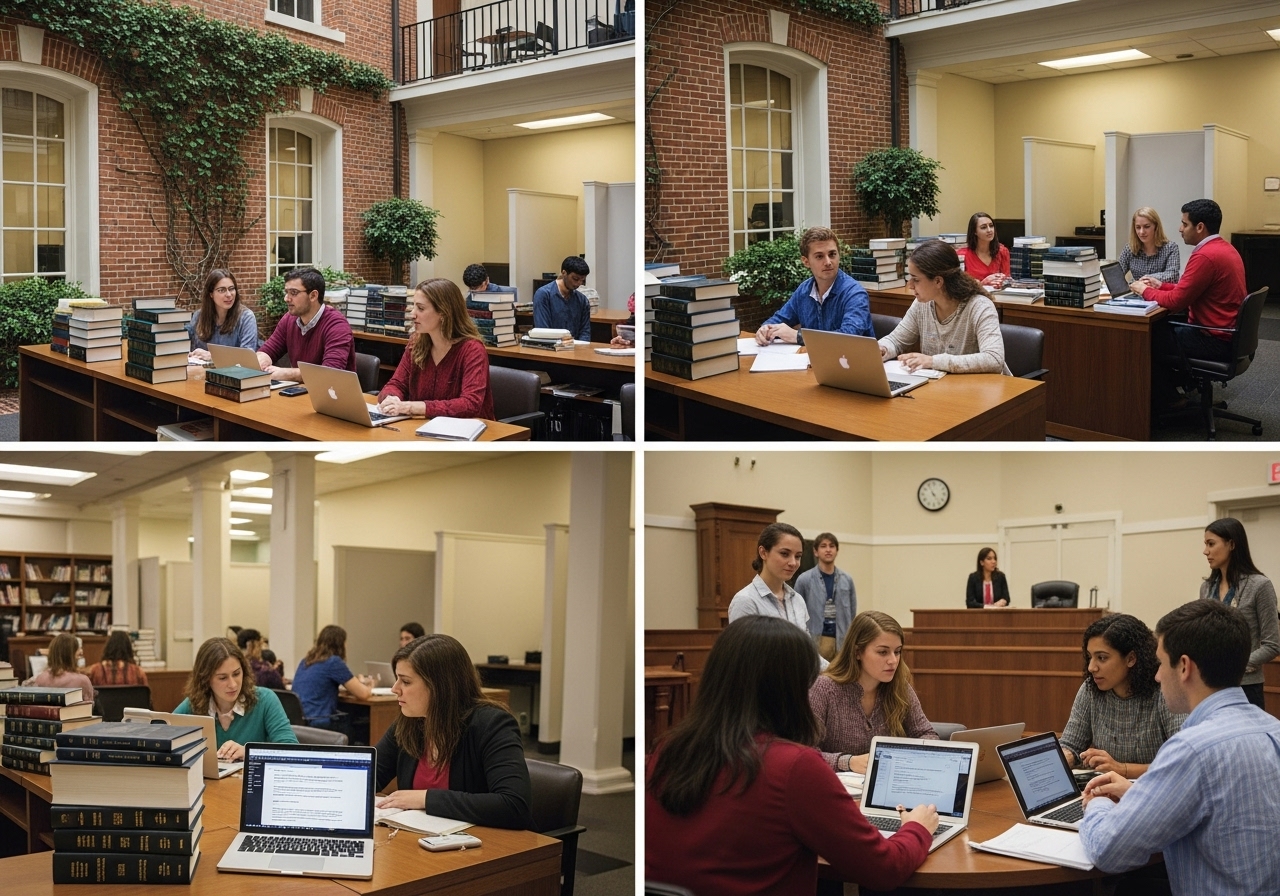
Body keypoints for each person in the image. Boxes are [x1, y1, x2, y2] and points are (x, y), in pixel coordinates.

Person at [646, 615, 935, 895]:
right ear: (790, 688)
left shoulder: (665, 750)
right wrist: (916, 828)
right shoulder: (794, 767)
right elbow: (884, 868)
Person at [1079, 599, 1280, 895]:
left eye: (1161, 663)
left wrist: (1097, 803)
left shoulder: (1192, 749)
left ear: (1184, 667)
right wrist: (1137, 794)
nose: (1157, 675)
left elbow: (1108, 851)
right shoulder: (1273, 728)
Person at [373, 634, 532, 828]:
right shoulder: (408, 724)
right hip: (421, 838)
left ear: (439, 686)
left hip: (481, 840)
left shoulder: (492, 725)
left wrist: (425, 799)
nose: (394, 689)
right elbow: (369, 777)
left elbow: (513, 805)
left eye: (405, 682)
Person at [1130, 199, 1246, 409]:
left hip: (1214, 339)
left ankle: (1169, 400)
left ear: (1199, 227)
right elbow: (1189, 290)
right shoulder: (1224, 249)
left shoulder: (1205, 256)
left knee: (1143, 337)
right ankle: (1182, 385)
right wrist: (1161, 285)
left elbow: (1176, 302)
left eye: (1184, 224)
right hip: (1231, 335)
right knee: (1160, 328)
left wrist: (1144, 290)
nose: (1180, 229)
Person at [809, 611, 938, 774]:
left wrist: (905, 757)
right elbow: (803, 752)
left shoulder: (900, 687)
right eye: (883, 652)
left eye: (897, 651)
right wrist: (848, 762)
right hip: (836, 784)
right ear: (857, 652)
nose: (893, 661)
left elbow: (926, 734)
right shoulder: (824, 689)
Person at [1060, 614, 1183, 778]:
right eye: (1090, 657)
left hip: (1155, 788)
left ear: (1131, 659)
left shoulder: (1163, 690)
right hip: (1107, 789)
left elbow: (1182, 762)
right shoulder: (1091, 688)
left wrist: (1122, 769)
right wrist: (1063, 757)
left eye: (1102, 658)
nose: (1091, 667)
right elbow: (1071, 744)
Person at [878, 239, 1010, 374]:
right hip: (942, 384)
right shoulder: (921, 305)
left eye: (916, 279)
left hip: (979, 386)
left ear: (938, 281)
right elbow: (896, 340)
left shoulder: (980, 307)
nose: (910, 285)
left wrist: (933, 361)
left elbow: (994, 359)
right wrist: (882, 349)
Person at [375, 278, 495, 420]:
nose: (412, 314)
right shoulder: (416, 343)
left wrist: (412, 407)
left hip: (469, 430)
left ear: (443, 313)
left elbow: (470, 404)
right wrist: (391, 398)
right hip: (423, 426)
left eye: (420, 308)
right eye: (413, 306)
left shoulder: (472, 350)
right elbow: (396, 384)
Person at [174, 637, 297, 762]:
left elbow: (292, 751)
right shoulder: (194, 704)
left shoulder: (265, 700)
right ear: (205, 679)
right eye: (223, 678)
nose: (233, 684)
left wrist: (248, 752)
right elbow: (164, 737)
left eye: (236, 674)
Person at [1199, 517, 1279, 708]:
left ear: (1232, 544)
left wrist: (1234, 666)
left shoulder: (1260, 585)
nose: (1205, 551)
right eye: (1205, 544)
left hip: (1246, 687)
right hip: (1210, 685)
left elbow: (1272, 645)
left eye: (1211, 544)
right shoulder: (1206, 588)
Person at [754, 226, 872, 346]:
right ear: (806, 262)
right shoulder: (804, 291)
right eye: (819, 256)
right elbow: (779, 319)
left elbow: (849, 337)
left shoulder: (855, 294)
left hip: (852, 358)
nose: (828, 262)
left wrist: (798, 336)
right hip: (812, 358)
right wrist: (765, 330)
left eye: (832, 254)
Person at [256, 266, 356, 381]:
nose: (286, 298)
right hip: (300, 390)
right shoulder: (289, 319)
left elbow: (330, 373)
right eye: (286, 292)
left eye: (294, 293)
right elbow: (269, 349)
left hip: (333, 391)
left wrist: (287, 373)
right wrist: (262, 359)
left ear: (313, 295)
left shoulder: (337, 326)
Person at [727, 522, 810, 635]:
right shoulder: (746, 601)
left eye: (798, 556)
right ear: (763, 553)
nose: (793, 563)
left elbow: (806, 644)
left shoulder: (798, 600)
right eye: (784, 554)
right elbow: (743, 646)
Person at [291, 625, 373, 730]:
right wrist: (370, 685)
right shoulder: (333, 662)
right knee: (361, 721)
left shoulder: (305, 661)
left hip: (299, 722)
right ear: (340, 644)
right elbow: (363, 694)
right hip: (319, 722)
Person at [793, 532, 856, 660]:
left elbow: (852, 611)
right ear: (815, 552)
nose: (828, 550)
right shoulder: (804, 580)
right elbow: (796, 611)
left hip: (842, 637)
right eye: (823, 546)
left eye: (832, 546)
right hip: (816, 637)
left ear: (837, 551)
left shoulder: (847, 580)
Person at [187, 268, 258, 360]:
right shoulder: (198, 317)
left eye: (231, 289)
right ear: (211, 294)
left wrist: (213, 356)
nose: (228, 294)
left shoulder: (246, 318)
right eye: (221, 290)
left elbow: (247, 357)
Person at [532, 256, 592, 341]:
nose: (578, 283)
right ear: (564, 273)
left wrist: (582, 346)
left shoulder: (582, 300)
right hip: (551, 345)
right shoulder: (544, 295)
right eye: (575, 279)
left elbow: (585, 332)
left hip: (576, 346)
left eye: (582, 280)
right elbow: (543, 331)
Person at [22, 633, 94, 702]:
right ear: (72, 655)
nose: (81, 652)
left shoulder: (40, 678)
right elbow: (89, 706)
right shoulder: (82, 680)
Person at [1117, 207, 1181, 285]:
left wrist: (1145, 279)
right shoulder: (1129, 248)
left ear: (1156, 227)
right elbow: (1117, 274)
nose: (1142, 232)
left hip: (1160, 292)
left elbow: (1173, 275)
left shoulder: (1170, 248)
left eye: (1146, 227)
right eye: (1138, 227)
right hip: (1136, 291)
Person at [958, 212, 1010, 288]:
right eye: (983, 227)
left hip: (998, 293)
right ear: (975, 231)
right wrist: (982, 283)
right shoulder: (962, 255)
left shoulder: (1002, 251)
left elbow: (1007, 279)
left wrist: (1002, 280)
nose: (989, 230)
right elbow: (959, 285)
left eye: (991, 226)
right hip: (974, 294)